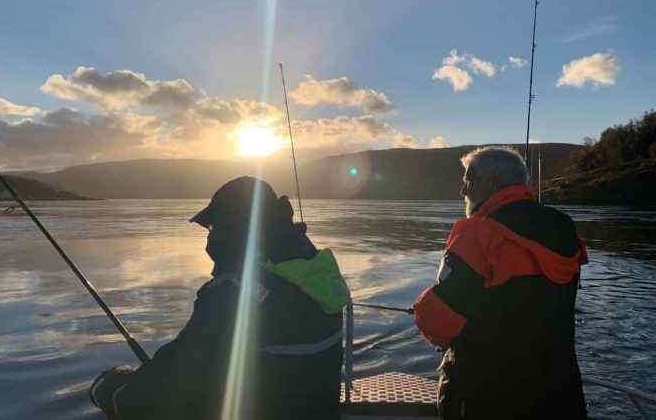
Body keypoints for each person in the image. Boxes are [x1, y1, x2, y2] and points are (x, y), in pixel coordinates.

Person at [90, 176, 350, 420]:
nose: (210, 234)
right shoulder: (311, 269)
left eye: (213, 225)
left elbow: (165, 384)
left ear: (233, 223)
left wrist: (112, 389)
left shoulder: (235, 292)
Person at [413, 146, 588, 419]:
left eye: (468, 181)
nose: (463, 192)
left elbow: (437, 319)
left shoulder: (481, 234)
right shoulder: (563, 228)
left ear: (492, 181)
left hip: (487, 396)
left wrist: (423, 310)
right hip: (560, 393)